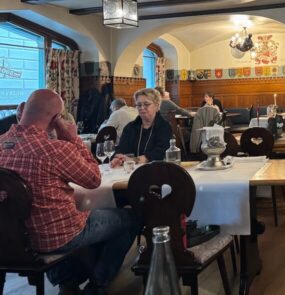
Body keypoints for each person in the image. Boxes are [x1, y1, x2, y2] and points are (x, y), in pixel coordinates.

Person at [0, 89, 137, 294]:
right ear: (56, 119)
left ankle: (68, 281)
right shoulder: (53, 149)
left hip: (10, 239)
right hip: (56, 236)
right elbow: (93, 179)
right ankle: (98, 283)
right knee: (131, 217)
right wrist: (72, 139)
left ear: (23, 110)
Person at [112, 88, 173, 166]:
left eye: (146, 104)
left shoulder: (164, 127)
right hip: (130, 169)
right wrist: (118, 157)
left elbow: (161, 152)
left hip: (155, 170)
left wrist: (136, 159)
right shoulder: (130, 127)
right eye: (139, 105)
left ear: (157, 106)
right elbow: (122, 148)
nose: (142, 108)